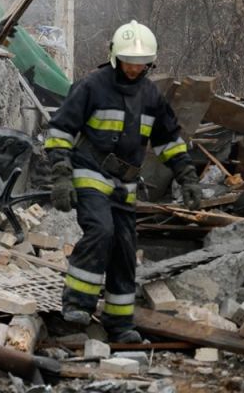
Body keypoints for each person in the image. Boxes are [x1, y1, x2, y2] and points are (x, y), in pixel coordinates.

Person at [42, 20, 200, 343]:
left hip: (125, 184)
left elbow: (169, 141)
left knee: (125, 248)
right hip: (90, 171)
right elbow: (59, 130)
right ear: (115, 57)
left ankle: (119, 322)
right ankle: (76, 304)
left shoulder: (150, 95)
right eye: (129, 62)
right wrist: (60, 175)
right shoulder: (92, 87)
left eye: (141, 64)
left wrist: (188, 178)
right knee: (101, 230)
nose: (134, 69)